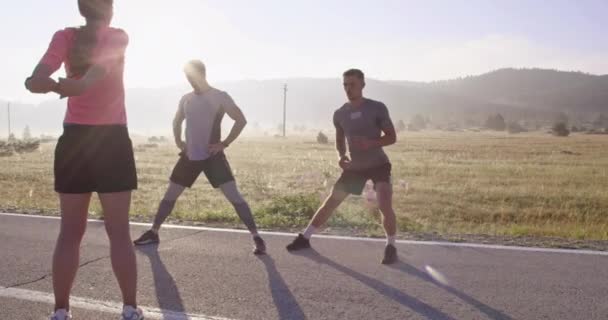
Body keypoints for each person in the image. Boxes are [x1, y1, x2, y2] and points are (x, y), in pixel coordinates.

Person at [24, 0, 143, 319]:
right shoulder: (118, 36)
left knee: (70, 232)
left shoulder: (64, 36)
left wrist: (44, 83)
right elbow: (94, 76)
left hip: (75, 140)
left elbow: (47, 76)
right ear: (110, 9)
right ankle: (130, 309)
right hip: (111, 141)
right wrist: (50, 83)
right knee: (119, 230)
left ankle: (60, 312)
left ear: (81, 8)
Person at [133, 60, 266, 255]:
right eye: (186, 76)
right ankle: (153, 232)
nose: (189, 79)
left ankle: (256, 237)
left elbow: (241, 119)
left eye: (192, 75)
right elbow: (177, 120)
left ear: (202, 74)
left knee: (235, 198)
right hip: (189, 157)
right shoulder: (186, 98)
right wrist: (179, 141)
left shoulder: (220, 96)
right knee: (169, 196)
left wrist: (224, 143)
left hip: (213, 157)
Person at [286, 69, 399, 264]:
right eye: (345, 85)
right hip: (354, 167)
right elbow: (339, 140)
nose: (348, 88)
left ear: (363, 85)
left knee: (384, 203)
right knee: (331, 201)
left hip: (378, 164)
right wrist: (341, 155)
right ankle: (305, 238)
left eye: (352, 84)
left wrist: (370, 143)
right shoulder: (340, 114)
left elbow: (392, 137)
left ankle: (391, 246)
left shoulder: (377, 108)